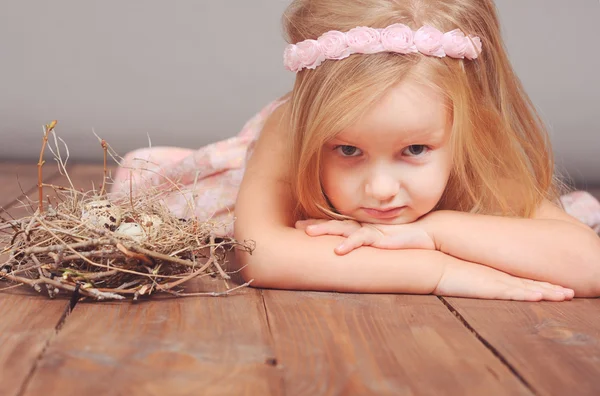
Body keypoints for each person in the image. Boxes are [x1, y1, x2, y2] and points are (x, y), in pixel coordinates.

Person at [111, 0, 600, 300]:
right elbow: (262, 255)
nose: (381, 189)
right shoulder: (290, 126)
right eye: (347, 150)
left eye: (413, 150)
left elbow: (588, 264)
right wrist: (440, 271)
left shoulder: (470, 138)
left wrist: (434, 231)